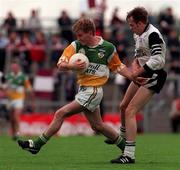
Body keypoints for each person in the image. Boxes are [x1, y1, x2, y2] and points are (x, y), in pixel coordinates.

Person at [17, 18, 143, 156]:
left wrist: (132, 76)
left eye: (80, 35)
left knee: (61, 113)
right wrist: (71, 66)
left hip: (93, 90)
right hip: (83, 89)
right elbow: (60, 64)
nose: (78, 38)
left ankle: (37, 145)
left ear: (90, 32)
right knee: (97, 126)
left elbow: (118, 66)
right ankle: (126, 149)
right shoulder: (76, 45)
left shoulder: (107, 48)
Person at [107, 7, 167, 164]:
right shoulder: (138, 34)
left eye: (132, 24)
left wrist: (136, 73)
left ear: (141, 23)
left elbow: (158, 60)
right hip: (142, 74)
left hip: (154, 75)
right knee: (123, 106)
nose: (130, 28)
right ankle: (122, 137)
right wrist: (134, 69)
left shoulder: (153, 35)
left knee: (130, 111)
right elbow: (137, 57)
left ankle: (129, 155)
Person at [5, 62, 34, 140]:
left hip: (19, 99)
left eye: (15, 67)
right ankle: (14, 133)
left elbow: (29, 88)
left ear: (18, 67)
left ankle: (18, 133)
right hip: (10, 100)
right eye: (12, 67)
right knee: (11, 118)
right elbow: (5, 87)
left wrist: (32, 100)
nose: (14, 69)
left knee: (16, 116)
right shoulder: (8, 76)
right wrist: (6, 92)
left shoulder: (23, 77)